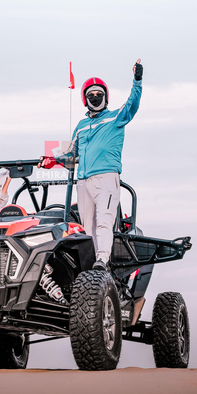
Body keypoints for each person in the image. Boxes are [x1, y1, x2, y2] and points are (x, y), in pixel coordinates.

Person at [39, 59, 143, 271]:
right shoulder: (81, 126)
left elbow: (132, 104)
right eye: (91, 95)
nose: (95, 98)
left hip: (106, 178)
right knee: (88, 226)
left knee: (104, 221)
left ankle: (102, 261)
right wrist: (49, 161)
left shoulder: (115, 117)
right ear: (84, 100)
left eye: (99, 94)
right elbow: (70, 154)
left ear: (106, 97)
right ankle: (88, 265)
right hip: (83, 181)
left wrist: (137, 80)